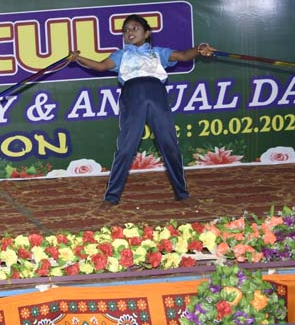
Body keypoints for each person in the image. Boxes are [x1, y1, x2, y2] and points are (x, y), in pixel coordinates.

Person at [69, 14, 214, 207]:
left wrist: (199, 49)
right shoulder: (120, 55)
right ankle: (111, 197)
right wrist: (78, 58)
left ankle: (182, 194)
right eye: (126, 30)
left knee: (169, 145)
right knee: (126, 148)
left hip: (157, 95)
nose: (129, 32)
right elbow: (100, 66)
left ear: (147, 33)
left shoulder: (158, 53)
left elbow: (183, 56)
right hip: (132, 96)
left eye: (134, 28)